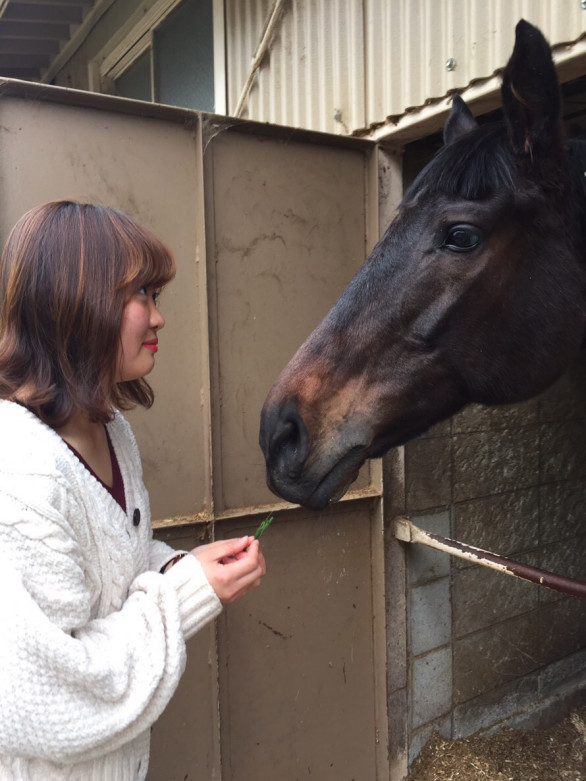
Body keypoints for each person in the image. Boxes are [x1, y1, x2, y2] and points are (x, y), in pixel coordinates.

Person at [0, 201, 266, 780]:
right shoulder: (17, 472)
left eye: (156, 295)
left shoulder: (110, 431)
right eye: (140, 294)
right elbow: (50, 700)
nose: (158, 317)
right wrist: (187, 594)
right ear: (75, 302)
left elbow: (111, 562)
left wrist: (180, 566)